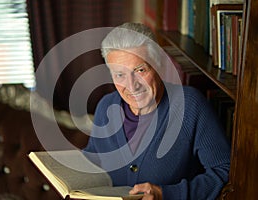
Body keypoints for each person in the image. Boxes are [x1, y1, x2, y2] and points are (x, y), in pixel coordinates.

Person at [82, 22, 231, 200]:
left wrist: (166, 194)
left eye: (140, 70)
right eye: (120, 74)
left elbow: (224, 169)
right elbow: (93, 158)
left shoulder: (190, 105)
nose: (132, 85)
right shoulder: (105, 106)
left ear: (158, 65)